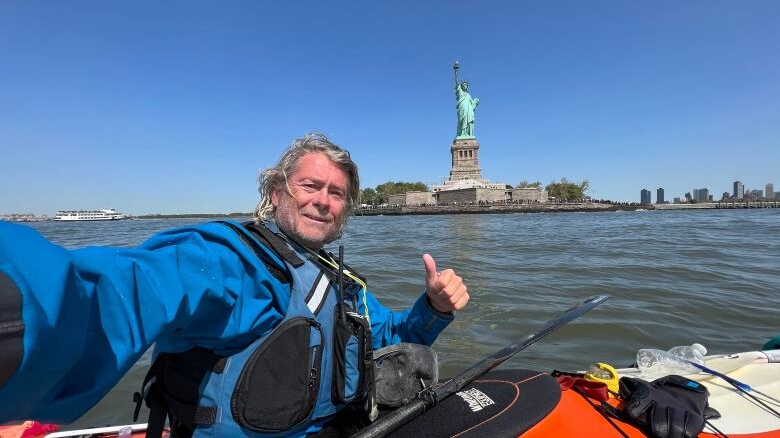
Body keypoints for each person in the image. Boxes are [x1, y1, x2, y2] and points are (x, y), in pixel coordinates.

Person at [0, 133, 469, 436]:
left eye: (337, 193)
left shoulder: (341, 281)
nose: (324, 201)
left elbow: (388, 336)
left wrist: (432, 307)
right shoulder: (229, 260)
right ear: (275, 192)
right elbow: (124, 292)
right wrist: (20, 310)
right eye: (310, 186)